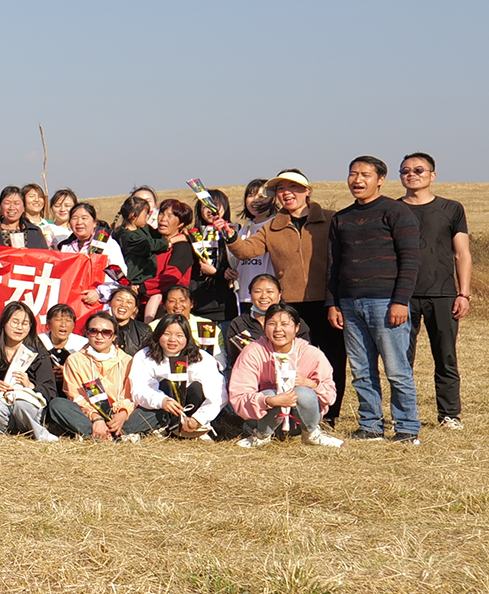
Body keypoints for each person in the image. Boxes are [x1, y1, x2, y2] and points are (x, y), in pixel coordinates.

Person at [227, 170, 341, 421]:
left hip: (328, 302)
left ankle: (330, 415)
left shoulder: (331, 220)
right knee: (293, 363)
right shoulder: (271, 227)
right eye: (281, 189)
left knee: (331, 359)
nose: (287, 193)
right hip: (290, 307)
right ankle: (293, 416)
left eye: (294, 187)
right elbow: (247, 251)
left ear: (307, 190)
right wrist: (231, 236)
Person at [328, 156, 424, 443]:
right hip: (349, 304)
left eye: (365, 175)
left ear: (380, 179)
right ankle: (370, 425)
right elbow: (333, 265)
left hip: (386, 303)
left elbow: (410, 260)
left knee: (396, 369)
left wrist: (400, 301)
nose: (357, 180)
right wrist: (332, 303)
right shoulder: (340, 218)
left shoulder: (396, 212)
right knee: (361, 370)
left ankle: (407, 427)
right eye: (353, 174)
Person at [398, 153, 470, 431]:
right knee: (402, 360)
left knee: (446, 356)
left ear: (432, 175)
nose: (412, 174)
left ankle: (449, 414)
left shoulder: (451, 209)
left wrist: (463, 294)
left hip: (443, 294)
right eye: (405, 170)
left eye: (418, 170)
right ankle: (405, 414)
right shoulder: (392, 209)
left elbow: (462, 253)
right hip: (402, 297)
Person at [228, 304, 344, 448]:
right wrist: (269, 401)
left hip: (298, 423)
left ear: (297, 328)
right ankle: (261, 435)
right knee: (272, 393)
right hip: (260, 419)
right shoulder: (252, 352)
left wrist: (310, 384)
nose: (278, 329)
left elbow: (330, 396)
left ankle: (311, 433)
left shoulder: (312, 354)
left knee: (303, 392)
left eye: (285, 324)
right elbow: (238, 396)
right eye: (272, 324)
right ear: (264, 327)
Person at [123, 317, 224, 440]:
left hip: (191, 408)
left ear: (187, 337)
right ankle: (163, 427)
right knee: (166, 384)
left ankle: (193, 429)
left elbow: (217, 391)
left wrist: (199, 418)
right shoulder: (144, 355)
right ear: (158, 334)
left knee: (198, 387)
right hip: (161, 408)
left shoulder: (202, 357)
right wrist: (162, 401)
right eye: (167, 334)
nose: (172, 340)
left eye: (179, 335)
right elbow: (140, 388)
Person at [0, 302, 58, 441]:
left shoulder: (38, 352)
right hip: (0, 400)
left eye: (25, 323)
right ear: (4, 323)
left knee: (21, 403)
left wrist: (30, 385)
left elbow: (50, 390)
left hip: (27, 401)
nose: (19, 327)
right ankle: (4, 435)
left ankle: (37, 434)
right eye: (15, 322)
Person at [56, 311, 136, 441]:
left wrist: (122, 413)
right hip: (90, 416)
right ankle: (109, 434)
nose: (99, 337)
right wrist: (96, 418)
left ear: (114, 336)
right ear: (87, 333)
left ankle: (113, 432)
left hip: (120, 415)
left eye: (106, 332)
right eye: (94, 331)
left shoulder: (127, 360)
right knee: (57, 405)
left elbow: (129, 395)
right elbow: (76, 396)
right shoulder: (74, 360)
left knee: (154, 410)